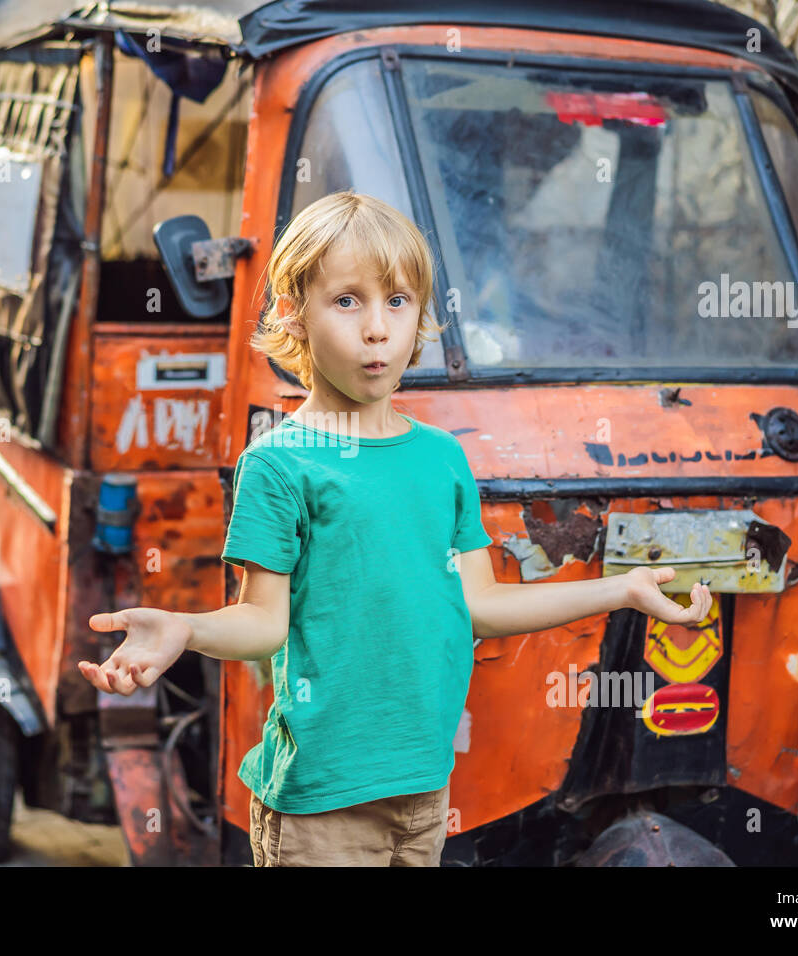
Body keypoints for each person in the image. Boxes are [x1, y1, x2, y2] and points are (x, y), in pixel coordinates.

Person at [78, 190, 712, 866]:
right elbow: (263, 623)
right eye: (347, 301)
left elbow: (482, 605)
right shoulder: (278, 463)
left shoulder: (443, 459)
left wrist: (623, 590)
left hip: (424, 792)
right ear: (294, 315)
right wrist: (188, 629)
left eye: (398, 301)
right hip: (321, 805)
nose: (377, 328)